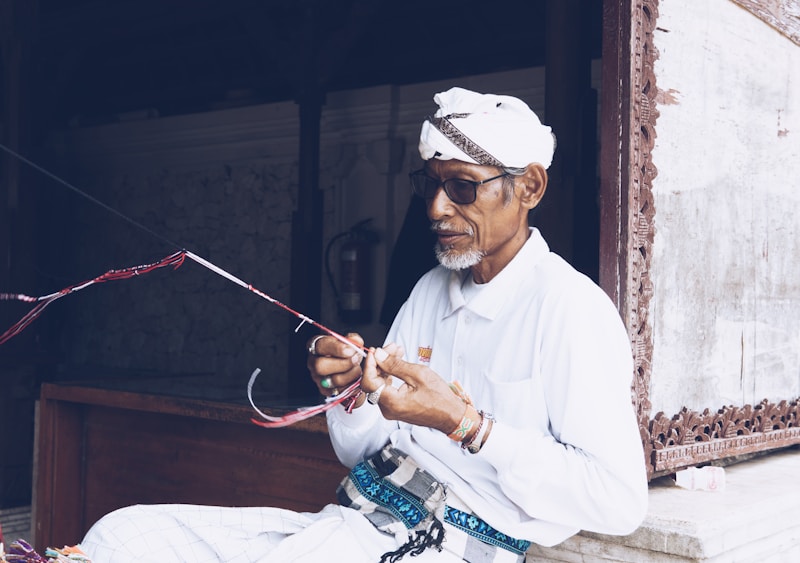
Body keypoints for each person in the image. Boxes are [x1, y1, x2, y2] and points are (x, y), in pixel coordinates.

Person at [80, 87, 648, 562]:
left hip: (441, 549)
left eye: (462, 186)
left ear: (529, 188)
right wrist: (352, 393)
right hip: (353, 524)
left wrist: (466, 425)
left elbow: (618, 502)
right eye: (430, 185)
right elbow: (367, 450)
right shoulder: (430, 292)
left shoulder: (570, 308)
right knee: (121, 537)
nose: (436, 208)